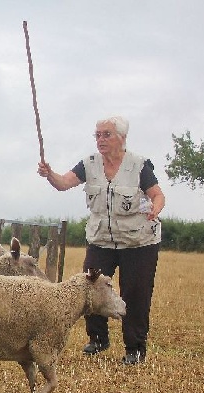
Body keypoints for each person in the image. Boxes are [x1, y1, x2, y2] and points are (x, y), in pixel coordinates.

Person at [37, 116, 165, 365]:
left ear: (122, 137)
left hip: (138, 242)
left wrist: (155, 209)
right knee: (89, 285)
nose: (100, 140)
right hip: (101, 239)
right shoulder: (89, 164)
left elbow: (157, 195)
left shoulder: (139, 166)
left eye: (106, 134)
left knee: (135, 293)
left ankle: (134, 348)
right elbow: (63, 183)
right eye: (97, 135)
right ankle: (97, 339)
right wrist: (49, 173)